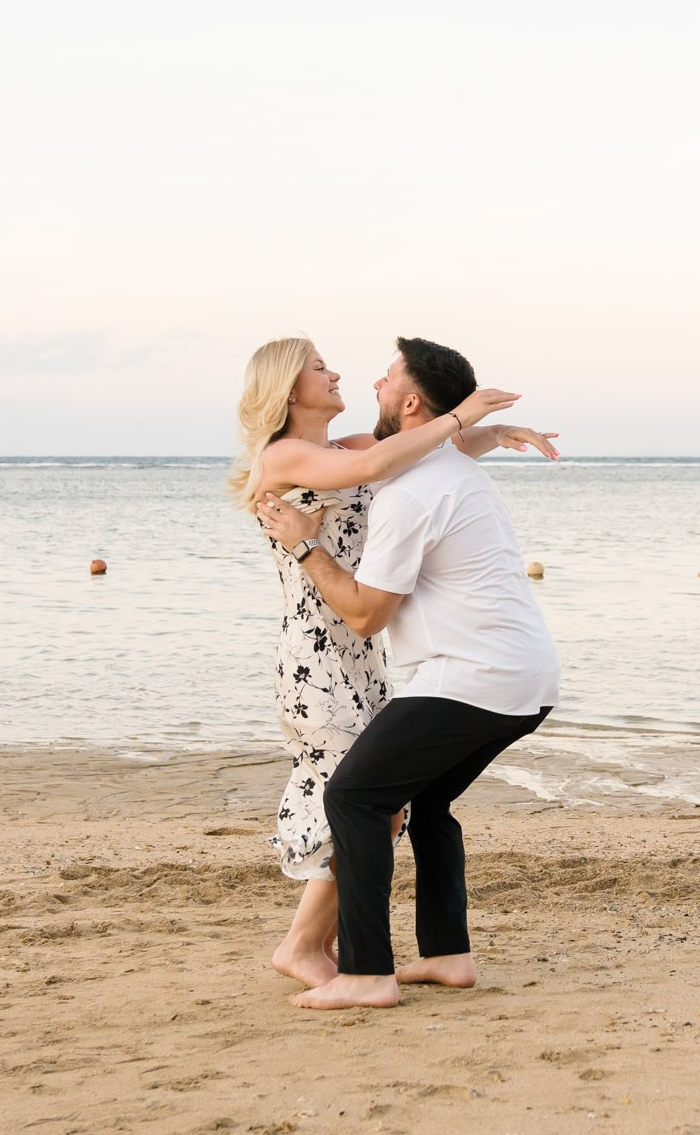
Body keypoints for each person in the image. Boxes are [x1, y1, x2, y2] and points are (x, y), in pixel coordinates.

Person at [228, 337, 557, 988]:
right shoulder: (285, 455)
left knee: (386, 802)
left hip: (364, 656)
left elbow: (417, 453)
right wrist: (462, 415)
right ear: (290, 389)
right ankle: (308, 945)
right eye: (321, 368)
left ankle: (319, 945)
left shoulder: (348, 450)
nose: (339, 372)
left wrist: (489, 432)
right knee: (364, 798)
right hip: (316, 655)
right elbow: (392, 454)